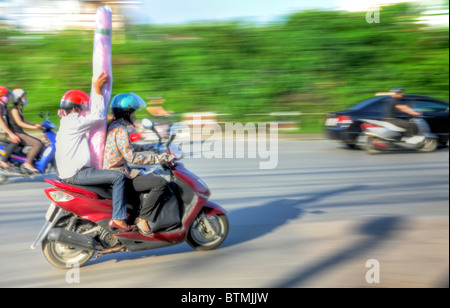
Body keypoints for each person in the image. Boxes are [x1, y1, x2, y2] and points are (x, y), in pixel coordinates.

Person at [55, 73, 134, 232]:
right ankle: (118, 218)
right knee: (118, 177)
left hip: (69, 172)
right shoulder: (73, 120)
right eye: (84, 108)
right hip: (77, 174)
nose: (85, 111)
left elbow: (94, 129)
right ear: (77, 108)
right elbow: (97, 116)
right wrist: (97, 90)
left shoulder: (68, 122)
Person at [103, 92, 175, 235]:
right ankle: (143, 218)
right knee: (159, 183)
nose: (135, 115)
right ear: (127, 112)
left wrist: (152, 147)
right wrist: (161, 158)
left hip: (118, 171)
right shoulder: (120, 129)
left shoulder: (115, 126)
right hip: (120, 174)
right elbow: (131, 157)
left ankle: (137, 211)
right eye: (133, 112)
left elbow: (127, 149)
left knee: (144, 171)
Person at [6, 88, 44, 173]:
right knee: (38, 144)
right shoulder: (14, 109)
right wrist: (33, 128)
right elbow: (20, 123)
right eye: (23, 97)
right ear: (18, 98)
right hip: (17, 133)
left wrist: (36, 124)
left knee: (39, 142)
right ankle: (28, 163)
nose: (25, 98)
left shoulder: (18, 109)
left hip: (20, 132)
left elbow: (25, 121)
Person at [0, 86, 20, 172]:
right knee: (16, 140)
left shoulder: (4, 106)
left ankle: (15, 162)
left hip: (3, 131)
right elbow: (1, 122)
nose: (8, 97)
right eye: (6, 95)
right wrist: (11, 134)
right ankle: (3, 161)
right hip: (1, 134)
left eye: (8, 95)